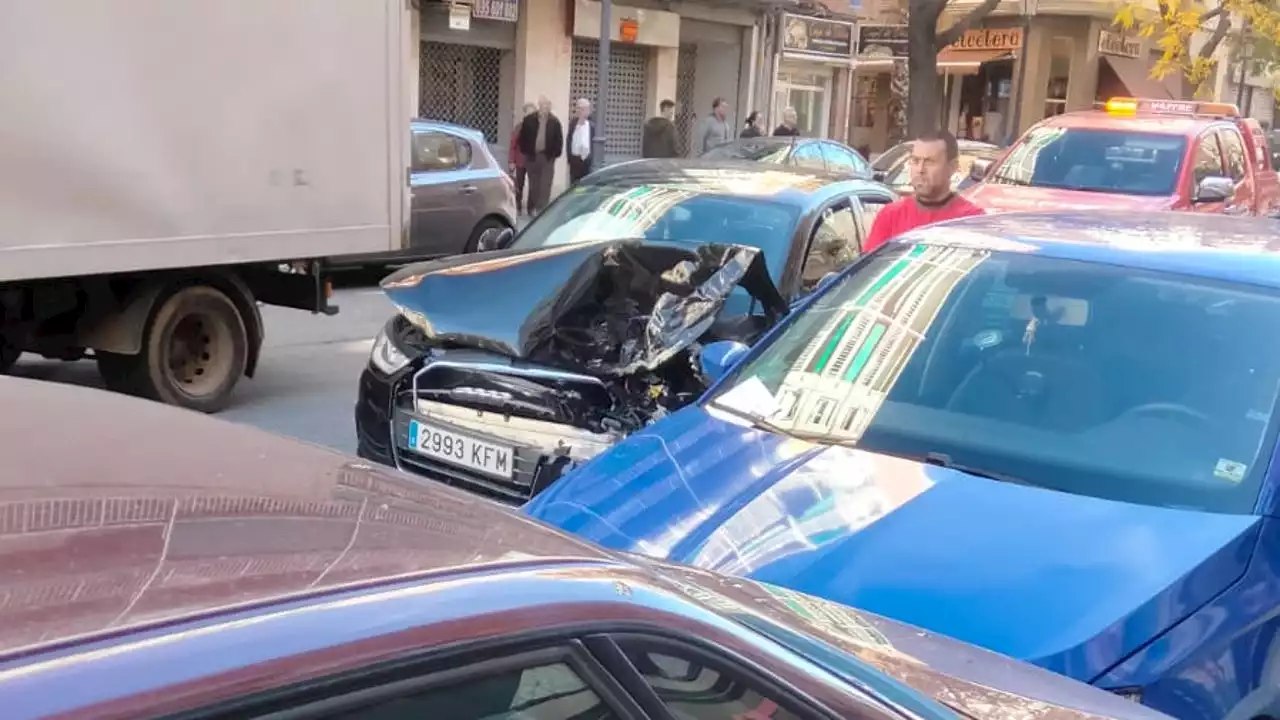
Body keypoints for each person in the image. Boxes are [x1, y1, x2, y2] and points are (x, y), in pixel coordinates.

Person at [862, 129, 984, 254]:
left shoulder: (972, 219)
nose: (920, 169)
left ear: (952, 167)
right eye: (915, 161)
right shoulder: (890, 215)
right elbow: (868, 269)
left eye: (929, 162)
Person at [517, 96, 563, 216]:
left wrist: (554, 154)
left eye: (548, 106)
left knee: (545, 185)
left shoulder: (555, 122)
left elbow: (559, 140)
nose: (545, 108)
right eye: (543, 105)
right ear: (539, 106)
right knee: (534, 185)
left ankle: (542, 210)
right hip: (532, 157)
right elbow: (522, 139)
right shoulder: (529, 120)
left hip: (547, 157)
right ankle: (535, 208)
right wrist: (526, 152)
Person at [508, 102, 536, 215]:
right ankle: (518, 206)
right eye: (528, 113)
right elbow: (513, 145)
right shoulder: (519, 127)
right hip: (520, 161)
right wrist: (511, 161)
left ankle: (531, 208)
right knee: (519, 184)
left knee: (534, 185)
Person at [567, 97, 594, 184]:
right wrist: (569, 158)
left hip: (587, 161)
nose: (580, 111)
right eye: (578, 108)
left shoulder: (592, 125)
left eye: (583, 109)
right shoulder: (573, 123)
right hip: (575, 161)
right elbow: (569, 141)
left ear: (588, 110)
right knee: (574, 186)